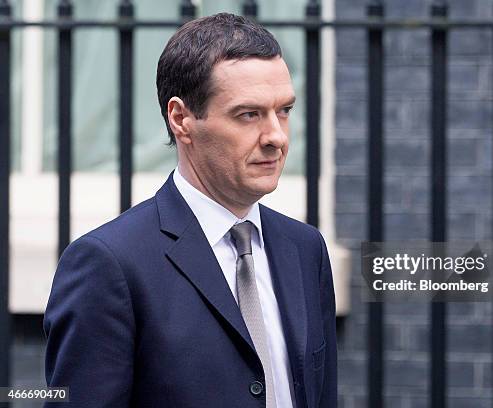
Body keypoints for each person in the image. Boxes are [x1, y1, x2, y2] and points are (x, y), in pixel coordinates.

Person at [43, 13, 337, 408]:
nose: (276, 137)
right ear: (181, 119)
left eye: (283, 110)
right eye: (248, 114)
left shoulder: (305, 249)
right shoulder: (109, 264)